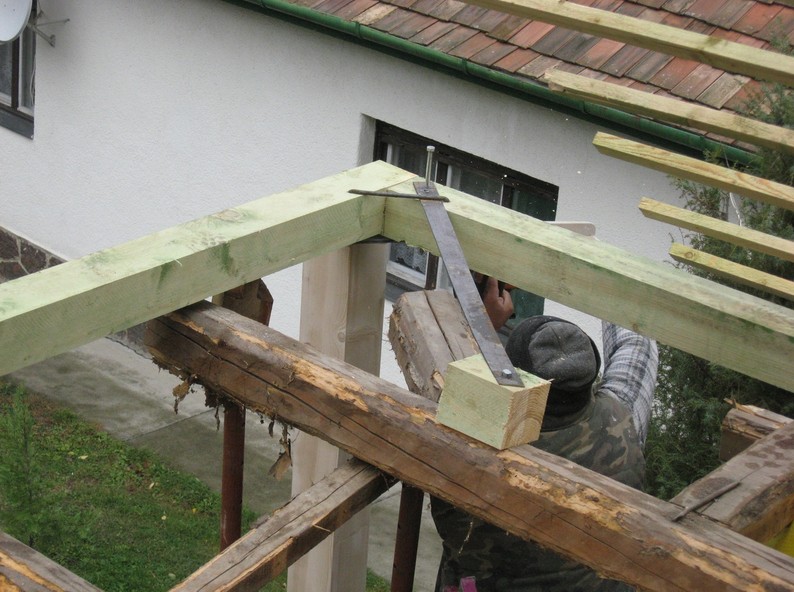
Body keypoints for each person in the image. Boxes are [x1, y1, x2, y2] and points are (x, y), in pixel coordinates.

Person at [432, 279, 659, 592]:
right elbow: (637, 345)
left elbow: (461, 387)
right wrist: (601, 275)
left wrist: (483, 326)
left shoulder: (469, 446)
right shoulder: (622, 418)